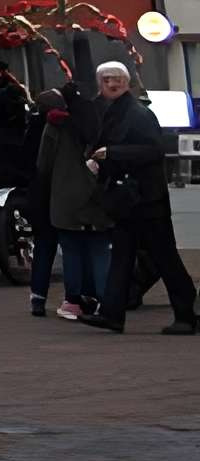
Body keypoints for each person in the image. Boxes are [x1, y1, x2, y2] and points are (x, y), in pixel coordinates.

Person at [83, 61, 198, 335]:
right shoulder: (115, 111)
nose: (113, 83)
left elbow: (153, 151)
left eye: (118, 79)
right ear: (100, 84)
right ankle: (112, 314)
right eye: (108, 79)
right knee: (124, 258)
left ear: (127, 83)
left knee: (164, 258)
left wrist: (112, 154)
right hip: (131, 201)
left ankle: (186, 315)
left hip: (146, 201)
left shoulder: (136, 113)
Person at [32, 83, 113, 322]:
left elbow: (43, 164)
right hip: (97, 196)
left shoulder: (56, 126)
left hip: (65, 197)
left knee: (72, 252)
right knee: (100, 251)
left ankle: (73, 302)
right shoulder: (103, 121)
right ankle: (105, 302)